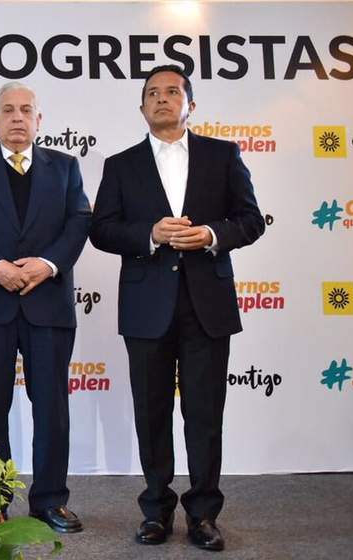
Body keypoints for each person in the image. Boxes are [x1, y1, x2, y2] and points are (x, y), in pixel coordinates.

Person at [90, 65, 265, 551]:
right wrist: (149, 234)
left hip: (206, 303)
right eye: (152, 93)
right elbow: (101, 230)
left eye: (172, 91)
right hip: (147, 306)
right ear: (142, 107)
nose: (162, 99)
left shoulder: (223, 155)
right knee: (151, 412)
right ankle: (156, 510)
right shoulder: (120, 164)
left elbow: (251, 220)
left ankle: (204, 514)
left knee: (205, 413)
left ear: (191, 105)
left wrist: (211, 234)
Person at [0, 82, 90, 532]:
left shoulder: (65, 167)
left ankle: (50, 500)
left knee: (52, 407)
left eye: (26, 110)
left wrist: (48, 264)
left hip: (47, 302)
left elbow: (79, 222)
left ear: (39, 120)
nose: (17, 117)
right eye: (7, 110)